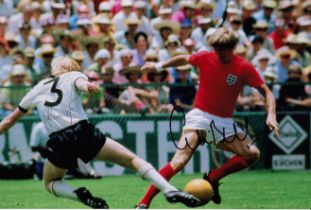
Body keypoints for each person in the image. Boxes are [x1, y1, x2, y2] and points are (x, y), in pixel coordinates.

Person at [0, 56, 200, 209]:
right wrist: (87, 86)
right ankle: (170, 190)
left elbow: (9, 120)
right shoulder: (74, 75)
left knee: (51, 182)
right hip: (82, 131)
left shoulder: (38, 88)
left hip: (58, 139)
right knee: (132, 161)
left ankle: (79, 195)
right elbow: (81, 84)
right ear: (71, 68)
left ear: (57, 69)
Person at [136, 27, 280, 208]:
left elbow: (267, 92)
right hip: (199, 117)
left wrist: (271, 114)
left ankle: (213, 177)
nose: (218, 53)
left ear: (231, 48)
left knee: (252, 154)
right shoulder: (205, 57)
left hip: (223, 122)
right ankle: (143, 203)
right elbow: (183, 59)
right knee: (179, 161)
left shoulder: (243, 66)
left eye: (222, 49)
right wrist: (157, 66)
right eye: (216, 49)